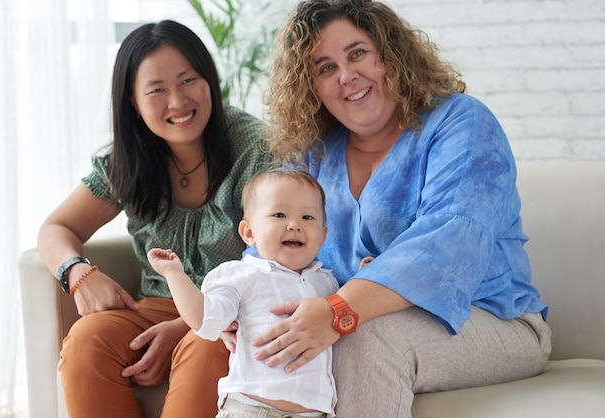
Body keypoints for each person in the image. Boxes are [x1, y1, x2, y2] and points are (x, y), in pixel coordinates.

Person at [225, 1, 553, 417]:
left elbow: (448, 242)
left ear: (390, 54)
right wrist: (241, 311)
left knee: (364, 336)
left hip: (493, 319)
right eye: (325, 68)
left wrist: (342, 307)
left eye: (357, 53)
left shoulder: (461, 123)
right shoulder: (314, 154)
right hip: (345, 314)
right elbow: (269, 241)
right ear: (312, 88)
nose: (347, 76)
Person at [36, 20, 272, 418]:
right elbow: (56, 229)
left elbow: (272, 262)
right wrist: (77, 274)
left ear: (209, 81)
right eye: (157, 90)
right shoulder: (128, 159)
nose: (177, 101)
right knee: (87, 340)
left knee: (207, 344)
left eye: (188, 80)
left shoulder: (253, 148)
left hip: (231, 316)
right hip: (153, 308)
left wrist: (188, 323)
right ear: (132, 100)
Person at [148, 168, 339, 418]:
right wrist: (174, 274)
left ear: (323, 236)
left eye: (308, 217)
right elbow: (203, 319)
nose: (294, 225)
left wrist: (365, 273)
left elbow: (351, 315)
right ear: (249, 233)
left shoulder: (327, 282)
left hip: (315, 412)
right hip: (251, 408)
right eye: (279, 214)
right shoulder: (240, 275)